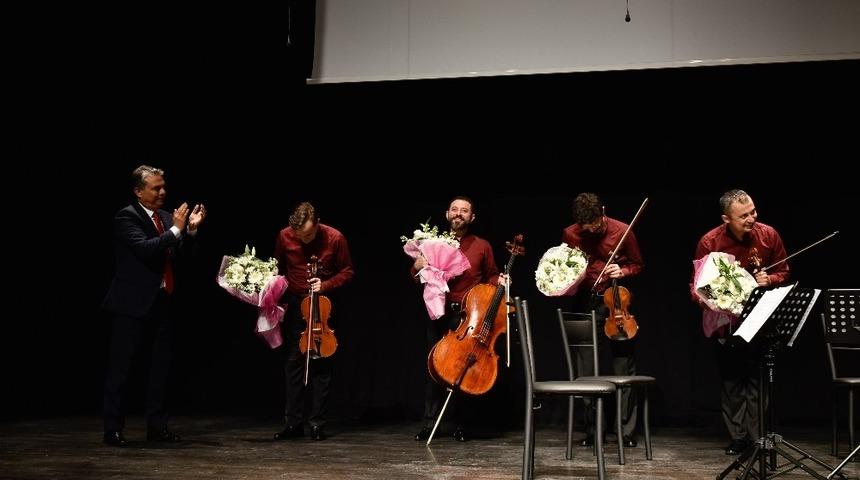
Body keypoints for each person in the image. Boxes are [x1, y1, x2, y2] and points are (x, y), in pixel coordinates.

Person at [102, 165, 207, 447]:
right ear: (138, 191)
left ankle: (157, 426)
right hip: (132, 304)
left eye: (163, 186)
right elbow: (146, 248)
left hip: (163, 302)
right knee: (121, 369)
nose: (163, 192)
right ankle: (112, 428)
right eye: (156, 188)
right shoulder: (126, 217)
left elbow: (180, 257)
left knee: (160, 368)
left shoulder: (165, 217)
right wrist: (177, 229)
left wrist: (191, 232)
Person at [693, 189, 789, 455]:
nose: (752, 219)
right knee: (732, 380)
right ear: (726, 219)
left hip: (760, 317)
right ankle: (738, 437)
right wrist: (707, 300)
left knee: (757, 380)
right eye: (744, 215)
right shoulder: (709, 241)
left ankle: (757, 437)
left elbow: (783, 270)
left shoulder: (768, 235)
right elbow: (696, 284)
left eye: (753, 212)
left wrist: (770, 279)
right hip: (726, 320)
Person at [412, 196, 509, 442]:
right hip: (438, 310)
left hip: (467, 316)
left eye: (464, 211)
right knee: (434, 368)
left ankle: (460, 425)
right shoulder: (433, 242)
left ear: (472, 217)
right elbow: (415, 276)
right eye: (454, 210)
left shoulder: (482, 245)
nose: (458, 214)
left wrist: (501, 282)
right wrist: (419, 265)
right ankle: (429, 423)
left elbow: (491, 276)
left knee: (463, 369)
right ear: (447, 214)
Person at [562, 192, 644, 448]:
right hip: (585, 302)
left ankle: (626, 431)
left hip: (616, 303)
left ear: (603, 212)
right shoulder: (570, 234)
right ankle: (592, 430)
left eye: (596, 226)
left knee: (623, 365)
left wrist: (624, 270)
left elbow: (638, 264)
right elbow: (565, 267)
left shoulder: (623, 231)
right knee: (586, 370)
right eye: (587, 229)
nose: (592, 231)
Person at [273, 202, 354, 441]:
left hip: (324, 308)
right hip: (296, 305)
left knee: (321, 368)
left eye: (308, 234)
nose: (304, 240)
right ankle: (293, 424)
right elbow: (276, 268)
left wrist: (325, 284)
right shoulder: (284, 236)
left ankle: (317, 423)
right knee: (293, 366)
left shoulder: (335, 237)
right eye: (299, 235)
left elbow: (348, 271)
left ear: (317, 224)